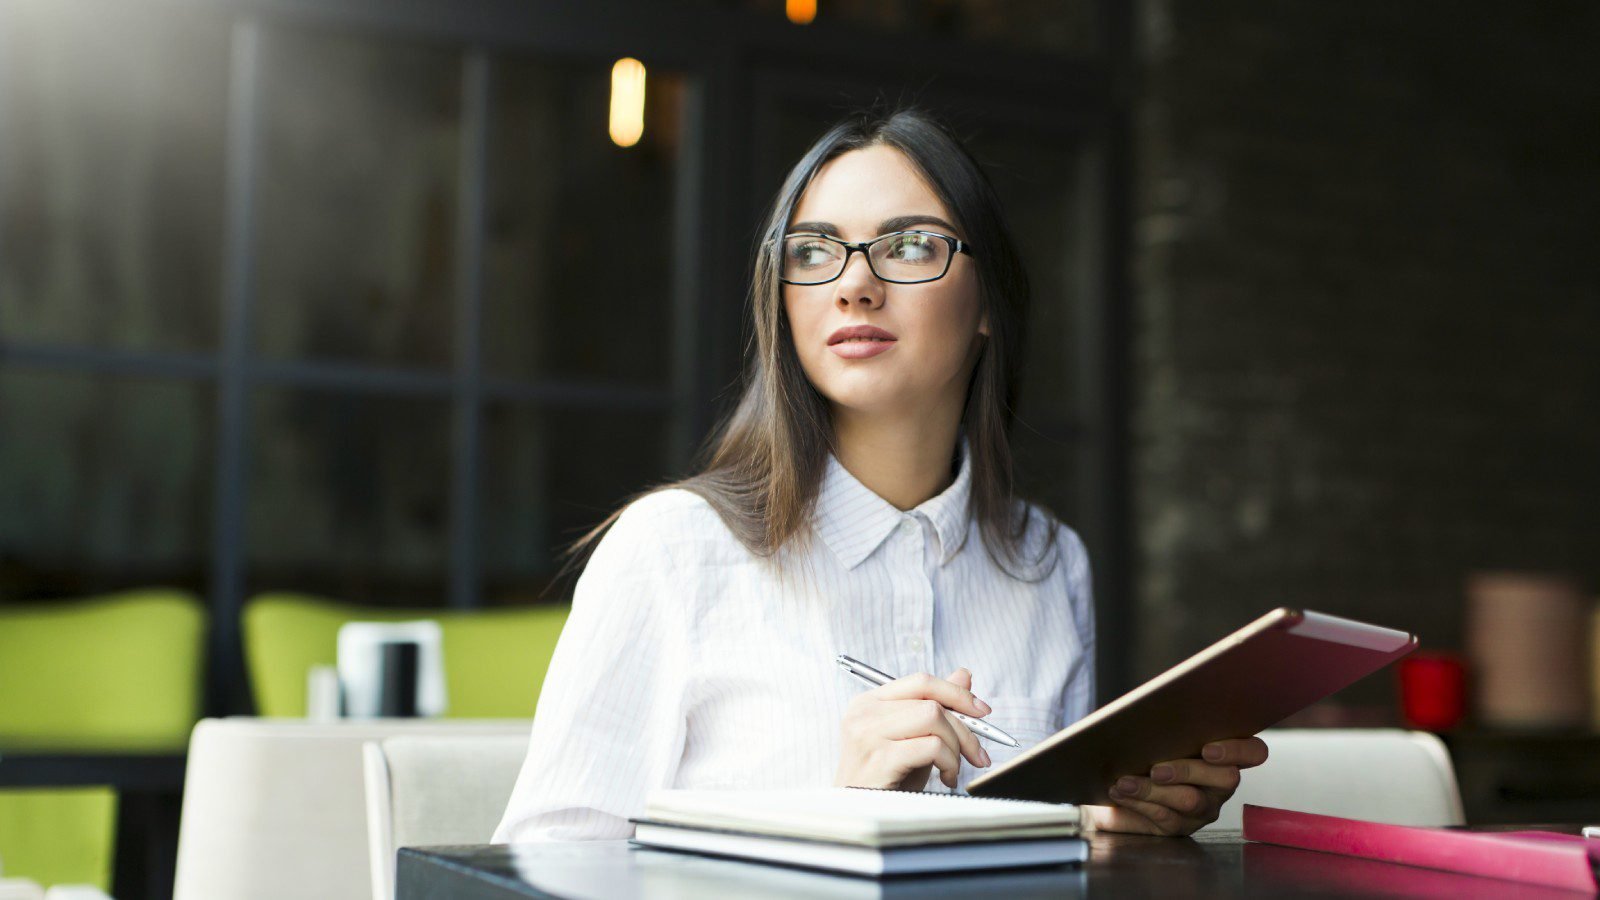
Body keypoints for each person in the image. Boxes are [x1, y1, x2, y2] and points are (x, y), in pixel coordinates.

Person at [494, 107, 1266, 842]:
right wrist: (841, 816)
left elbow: (1050, 859)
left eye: (909, 246)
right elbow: (544, 863)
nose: (853, 286)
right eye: (813, 251)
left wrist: (1119, 825)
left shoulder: (1048, 561)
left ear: (989, 301)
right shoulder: (672, 551)